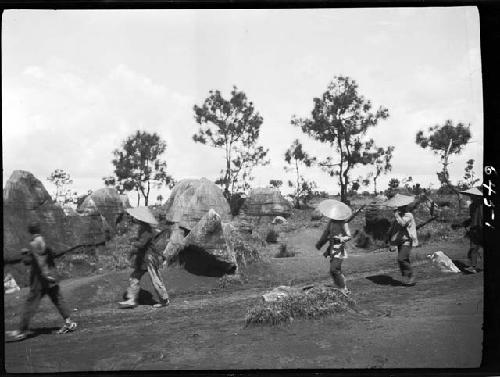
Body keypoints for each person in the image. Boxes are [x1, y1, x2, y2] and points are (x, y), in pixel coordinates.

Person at [6, 222, 77, 341]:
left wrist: (24, 254)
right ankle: (69, 322)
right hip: (52, 278)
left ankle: (21, 331)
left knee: (30, 304)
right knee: (58, 300)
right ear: (39, 230)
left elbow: (28, 261)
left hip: (39, 281)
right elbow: (53, 254)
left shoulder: (31, 244)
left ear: (30, 231)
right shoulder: (46, 241)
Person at [119, 207, 170, 309]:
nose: (134, 218)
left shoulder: (146, 230)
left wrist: (133, 243)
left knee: (155, 279)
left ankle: (164, 300)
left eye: (136, 217)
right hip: (143, 258)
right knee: (134, 277)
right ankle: (131, 300)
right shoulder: (142, 228)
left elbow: (142, 244)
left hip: (149, 258)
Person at [315, 200, 353, 295]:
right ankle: (342, 287)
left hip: (339, 250)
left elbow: (349, 236)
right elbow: (325, 234)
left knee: (334, 269)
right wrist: (320, 243)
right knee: (335, 271)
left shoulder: (344, 223)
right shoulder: (331, 222)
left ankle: (343, 289)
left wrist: (340, 239)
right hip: (331, 249)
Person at [386, 196, 419, 286]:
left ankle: (411, 274)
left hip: (407, 241)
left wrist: (396, 215)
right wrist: (390, 241)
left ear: (404, 207)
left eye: (401, 207)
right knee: (404, 259)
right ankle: (406, 277)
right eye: (398, 208)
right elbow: (393, 230)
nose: (399, 209)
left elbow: (403, 224)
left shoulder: (409, 215)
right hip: (400, 241)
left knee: (401, 258)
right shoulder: (398, 218)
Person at [455, 187, 483, 273]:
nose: (471, 197)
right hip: (474, 230)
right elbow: (472, 218)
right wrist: (463, 224)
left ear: (477, 196)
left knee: (474, 249)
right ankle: (473, 267)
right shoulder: (472, 206)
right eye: (470, 195)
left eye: (472, 195)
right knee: (473, 249)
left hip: (481, 229)